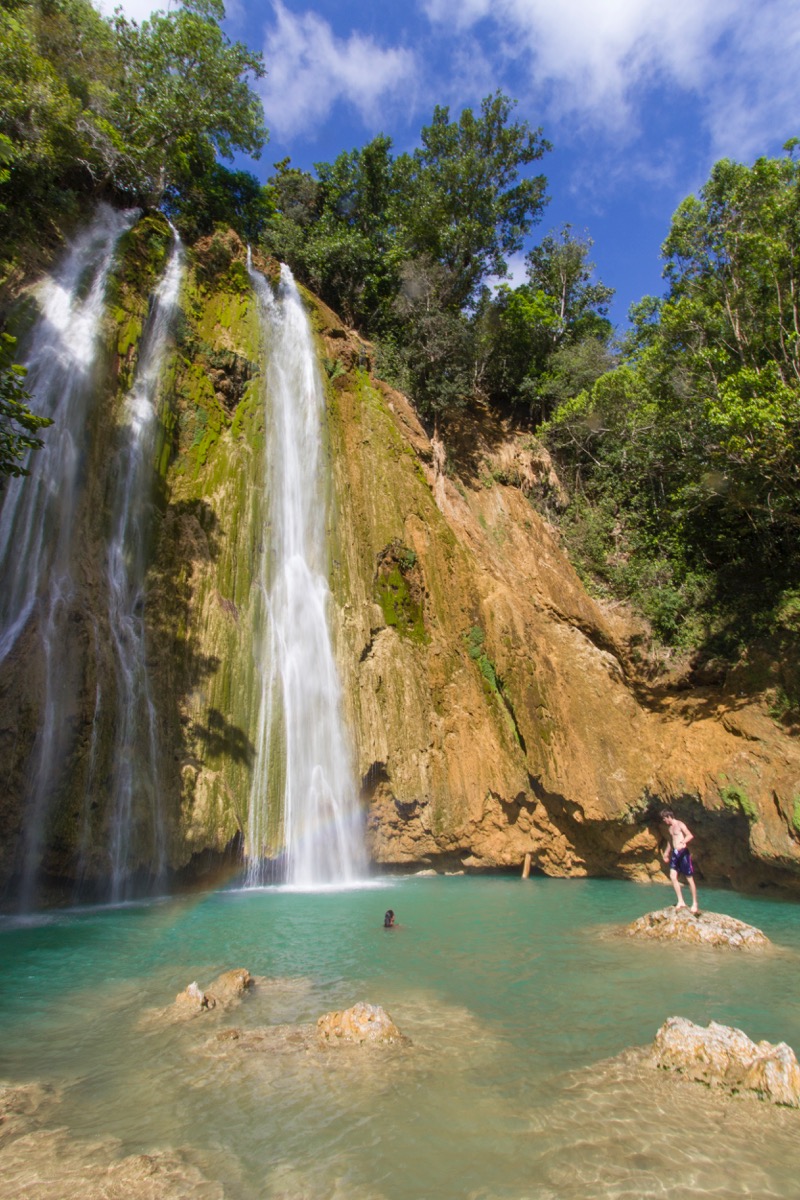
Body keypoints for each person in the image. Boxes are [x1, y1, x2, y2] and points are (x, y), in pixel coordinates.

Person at [660, 809, 699, 913]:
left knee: (689, 878)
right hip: (675, 854)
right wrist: (666, 853)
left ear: (668, 817)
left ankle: (694, 903)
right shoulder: (670, 829)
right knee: (673, 876)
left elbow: (689, 835)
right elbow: (670, 842)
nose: (664, 821)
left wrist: (683, 842)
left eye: (664, 819)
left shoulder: (680, 824)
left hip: (683, 853)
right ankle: (680, 901)